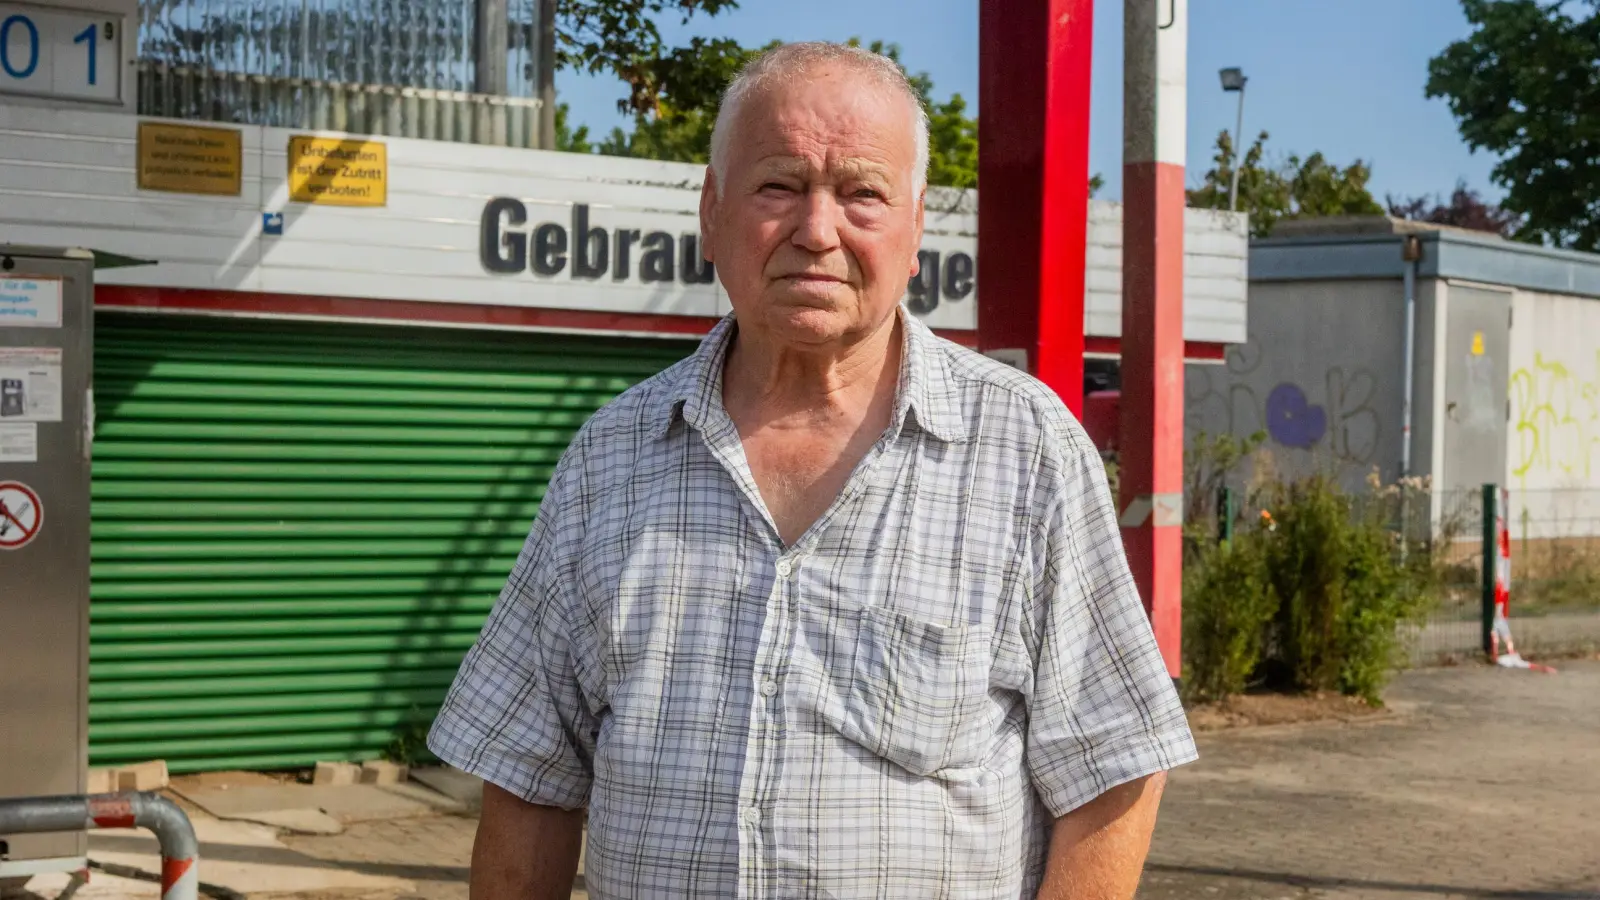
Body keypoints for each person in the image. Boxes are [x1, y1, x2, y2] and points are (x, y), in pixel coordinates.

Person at [428, 41, 1196, 900]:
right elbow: (530, 778)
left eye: (862, 193)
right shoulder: (611, 458)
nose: (817, 231)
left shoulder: (1025, 449)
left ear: (915, 228)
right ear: (712, 212)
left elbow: (1114, 770)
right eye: (779, 186)